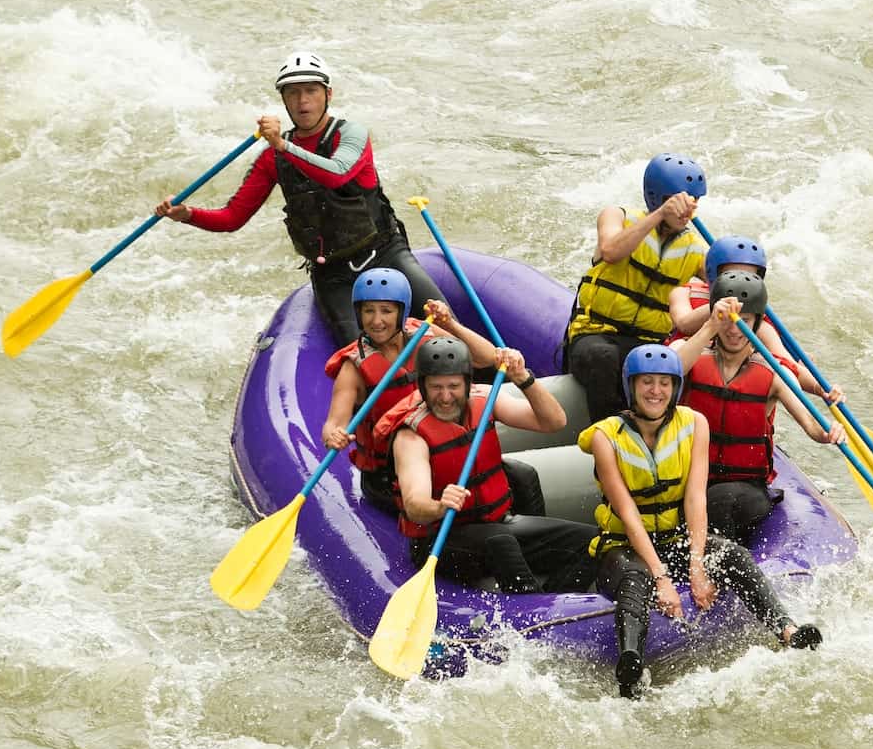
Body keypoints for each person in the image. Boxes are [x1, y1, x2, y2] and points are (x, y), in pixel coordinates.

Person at [578, 343, 824, 699]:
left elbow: (695, 497)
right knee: (636, 580)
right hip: (625, 546)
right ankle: (630, 669)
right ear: (631, 386)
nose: (656, 391)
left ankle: (787, 631)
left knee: (732, 554)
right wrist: (661, 577)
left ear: (675, 387)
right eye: (646, 382)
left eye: (664, 383)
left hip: (674, 537)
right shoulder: (605, 437)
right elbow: (628, 513)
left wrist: (697, 565)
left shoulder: (695, 424)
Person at [154, 50, 444, 346]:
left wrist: (281, 144)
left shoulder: (351, 135)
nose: (302, 101)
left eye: (310, 91)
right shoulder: (272, 158)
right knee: (359, 356)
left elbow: (337, 173)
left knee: (447, 329)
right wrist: (187, 214)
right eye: (292, 93)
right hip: (333, 276)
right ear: (283, 100)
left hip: (383, 253)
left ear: (328, 94)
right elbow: (232, 218)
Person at [375, 337, 595, 593]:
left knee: (591, 542)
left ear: (467, 383)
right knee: (500, 542)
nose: (445, 397)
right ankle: (531, 615)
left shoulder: (486, 398)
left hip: (498, 525)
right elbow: (414, 505)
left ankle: (555, 601)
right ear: (422, 387)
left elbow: (554, 422)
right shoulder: (411, 437)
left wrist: (523, 379)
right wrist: (439, 506)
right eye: (436, 387)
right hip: (441, 540)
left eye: (454, 386)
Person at [322, 269, 526, 512]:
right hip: (392, 474)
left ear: (402, 312)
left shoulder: (423, 333)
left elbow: (487, 358)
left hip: (442, 451)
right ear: (358, 313)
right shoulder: (353, 368)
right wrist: (334, 435)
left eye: (386, 311)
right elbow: (334, 423)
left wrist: (448, 323)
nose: (376, 321)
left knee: (523, 477)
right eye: (369, 311)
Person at [671, 270, 844, 543]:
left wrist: (827, 433)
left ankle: (713, 566)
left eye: (743, 321)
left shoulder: (774, 372)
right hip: (689, 479)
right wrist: (709, 327)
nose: (733, 330)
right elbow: (671, 370)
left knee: (720, 498)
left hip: (745, 487)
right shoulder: (689, 352)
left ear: (756, 322)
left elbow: (811, 424)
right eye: (726, 320)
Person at [565, 151, 708, 424]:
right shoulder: (616, 216)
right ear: (658, 197)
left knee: (660, 367)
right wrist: (659, 215)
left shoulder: (697, 249)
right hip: (595, 334)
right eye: (679, 201)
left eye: (695, 201)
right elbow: (610, 251)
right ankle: (611, 436)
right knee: (603, 357)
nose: (688, 209)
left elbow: (721, 282)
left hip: (648, 343)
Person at [668, 234, 841, 402]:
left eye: (751, 277)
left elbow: (787, 364)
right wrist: (719, 307)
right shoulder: (684, 293)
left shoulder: (758, 322)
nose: (742, 282)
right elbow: (684, 324)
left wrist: (821, 388)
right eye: (733, 275)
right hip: (687, 389)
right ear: (714, 273)